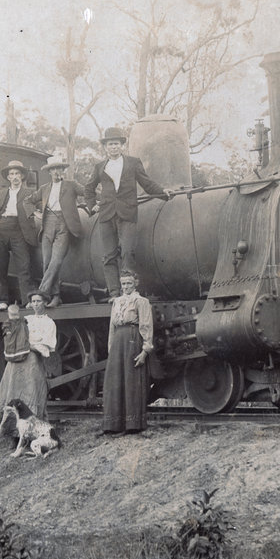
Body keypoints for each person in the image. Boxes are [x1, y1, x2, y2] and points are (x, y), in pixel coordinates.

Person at [84, 127, 171, 298]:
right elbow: (89, 188)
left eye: (116, 144)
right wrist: (91, 205)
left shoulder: (133, 163)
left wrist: (163, 192)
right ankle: (114, 292)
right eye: (110, 144)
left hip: (127, 213)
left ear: (121, 145)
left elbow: (146, 183)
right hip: (106, 215)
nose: (113, 147)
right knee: (108, 256)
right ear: (105, 147)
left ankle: (128, 290)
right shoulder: (100, 167)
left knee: (127, 251)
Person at [0, 293, 56, 433]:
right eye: (33, 301)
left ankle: (31, 432)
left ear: (45, 303)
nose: (35, 304)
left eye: (38, 301)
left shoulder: (49, 323)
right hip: (16, 363)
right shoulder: (25, 319)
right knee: (11, 394)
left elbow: (45, 347)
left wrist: (26, 345)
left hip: (32, 362)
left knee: (31, 395)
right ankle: (11, 431)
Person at [25, 156, 85, 308]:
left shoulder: (71, 185)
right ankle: (55, 297)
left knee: (56, 261)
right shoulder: (44, 188)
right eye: (53, 169)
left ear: (63, 170)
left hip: (64, 225)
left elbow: (88, 192)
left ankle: (41, 293)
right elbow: (27, 201)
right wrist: (34, 213)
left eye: (59, 168)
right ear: (49, 172)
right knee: (47, 263)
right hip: (46, 226)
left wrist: (102, 201)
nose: (57, 172)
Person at [100, 271, 155, 436]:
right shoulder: (116, 302)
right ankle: (114, 425)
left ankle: (133, 424)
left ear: (135, 283)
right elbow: (112, 328)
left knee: (132, 380)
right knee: (115, 381)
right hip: (118, 341)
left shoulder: (141, 301)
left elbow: (146, 326)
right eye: (123, 284)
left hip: (132, 340)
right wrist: (111, 349)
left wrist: (145, 351)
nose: (126, 287)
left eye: (129, 283)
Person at [0, 160, 38, 310]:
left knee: (24, 265)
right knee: (0, 266)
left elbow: (38, 207)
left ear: (22, 176)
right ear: (8, 177)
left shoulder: (29, 192)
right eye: (11, 174)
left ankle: (27, 300)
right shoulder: (2, 193)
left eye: (17, 173)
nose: (14, 176)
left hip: (19, 228)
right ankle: (2, 301)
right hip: (1, 228)